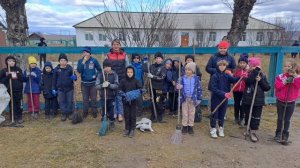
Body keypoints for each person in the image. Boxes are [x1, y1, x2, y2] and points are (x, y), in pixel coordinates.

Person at [209, 60, 241, 138]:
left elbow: (234, 80)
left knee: (222, 113)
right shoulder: (214, 76)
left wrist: (241, 76)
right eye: (220, 65)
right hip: (216, 98)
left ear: (226, 66)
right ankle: (213, 128)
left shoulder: (227, 76)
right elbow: (213, 88)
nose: (222, 67)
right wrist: (224, 94)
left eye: (224, 65)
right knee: (215, 113)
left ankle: (221, 128)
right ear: (218, 66)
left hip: (224, 99)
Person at [242, 57, 271, 142]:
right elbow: (248, 81)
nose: (252, 67)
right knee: (248, 115)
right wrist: (255, 72)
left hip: (258, 101)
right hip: (248, 99)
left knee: (256, 117)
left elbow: (267, 88)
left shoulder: (262, 75)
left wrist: (261, 80)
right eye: (251, 65)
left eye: (254, 66)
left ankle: (253, 131)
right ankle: (247, 128)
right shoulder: (248, 74)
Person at [274, 59, 300, 145]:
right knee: (280, 118)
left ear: (293, 67)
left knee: (287, 119)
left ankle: (285, 135)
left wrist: (295, 76)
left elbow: (298, 85)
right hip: (281, 101)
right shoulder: (280, 76)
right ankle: (278, 133)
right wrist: (285, 81)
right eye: (285, 66)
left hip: (291, 101)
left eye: (289, 66)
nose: (287, 68)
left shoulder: (297, 77)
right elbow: (277, 86)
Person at [106, 39, 129, 122]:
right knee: (112, 97)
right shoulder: (108, 55)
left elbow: (128, 66)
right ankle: (114, 113)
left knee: (119, 97)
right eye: (114, 44)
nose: (116, 46)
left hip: (122, 79)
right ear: (112, 46)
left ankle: (120, 114)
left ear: (120, 45)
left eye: (117, 44)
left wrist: (127, 78)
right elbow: (106, 66)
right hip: (112, 80)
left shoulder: (124, 55)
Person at [177, 62, 202, 135]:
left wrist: (199, 98)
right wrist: (178, 87)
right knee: (185, 113)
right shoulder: (182, 78)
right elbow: (178, 88)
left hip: (193, 99)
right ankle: (184, 126)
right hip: (185, 98)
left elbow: (199, 89)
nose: (187, 71)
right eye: (186, 69)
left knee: (192, 113)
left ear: (193, 71)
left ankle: (190, 126)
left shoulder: (196, 79)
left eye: (189, 70)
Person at [77, 46, 102, 119]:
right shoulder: (80, 61)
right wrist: (83, 61)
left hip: (93, 83)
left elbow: (99, 69)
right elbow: (79, 70)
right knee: (85, 99)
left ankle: (94, 112)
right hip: (84, 83)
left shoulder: (94, 60)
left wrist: (96, 75)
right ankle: (85, 112)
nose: (85, 54)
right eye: (84, 52)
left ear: (90, 53)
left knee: (94, 98)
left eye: (87, 52)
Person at [52, 53, 77, 121]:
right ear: (59, 61)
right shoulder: (56, 69)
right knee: (61, 101)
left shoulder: (70, 68)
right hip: (60, 89)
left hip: (69, 88)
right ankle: (63, 113)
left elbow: (75, 78)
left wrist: (74, 77)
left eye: (64, 60)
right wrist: (53, 88)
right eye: (61, 60)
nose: (63, 62)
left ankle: (69, 113)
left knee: (69, 101)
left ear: (66, 61)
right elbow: (54, 80)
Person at [95, 59, 119, 129]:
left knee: (111, 111)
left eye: (108, 66)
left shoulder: (114, 74)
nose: (107, 68)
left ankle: (111, 122)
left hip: (112, 97)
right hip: (103, 97)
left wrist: (109, 85)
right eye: (105, 67)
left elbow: (117, 85)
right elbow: (96, 86)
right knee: (103, 110)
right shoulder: (100, 75)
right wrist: (102, 85)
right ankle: (104, 121)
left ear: (111, 67)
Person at [119, 66, 142, 138]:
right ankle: (127, 129)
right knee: (127, 115)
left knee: (132, 115)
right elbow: (119, 89)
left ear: (133, 73)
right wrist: (123, 94)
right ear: (126, 73)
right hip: (125, 101)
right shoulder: (123, 81)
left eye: (131, 72)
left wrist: (139, 92)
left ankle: (132, 129)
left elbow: (140, 89)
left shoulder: (136, 81)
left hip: (133, 101)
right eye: (128, 72)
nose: (129, 74)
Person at [0, 55, 24, 124]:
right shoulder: (4, 71)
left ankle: (19, 117)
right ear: (6, 62)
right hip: (9, 91)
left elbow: (22, 79)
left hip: (18, 90)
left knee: (19, 104)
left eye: (13, 61)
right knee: (12, 105)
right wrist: (7, 77)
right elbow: (1, 81)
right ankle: (13, 117)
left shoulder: (18, 69)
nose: (12, 62)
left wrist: (20, 76)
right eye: (9, 61)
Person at [145, 52, 166, 122]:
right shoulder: (151, 66)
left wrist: (153, 76)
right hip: (152, 87)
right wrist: (145, 62)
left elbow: (162, 77)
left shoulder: (163, 67)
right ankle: (153, 114)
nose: (158, 59)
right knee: (152, 101)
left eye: (159, 58)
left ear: (162, 59)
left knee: (158, 101)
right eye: (156, 58)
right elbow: (145, 70)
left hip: (159, 88)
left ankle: (159, 115)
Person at [233, 53, 249, 125]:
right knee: (236, 104)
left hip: (244, 90)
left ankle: (242, 118)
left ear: (246, 64)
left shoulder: (248, 72)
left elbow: (249, 80)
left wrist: (246, 76)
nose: (242, 64)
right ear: (238, 63)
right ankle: (236, 117)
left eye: (244, 63)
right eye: (240, 62)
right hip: (236, 90)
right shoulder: (236, 71)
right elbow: (233, 79)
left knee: (243, 104)